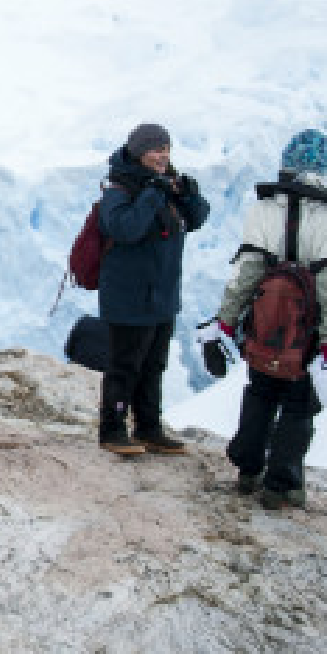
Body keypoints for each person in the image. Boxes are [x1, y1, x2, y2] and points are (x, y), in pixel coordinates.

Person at [198, 128, 327, 509]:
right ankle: (282, 485)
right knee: (299, 404)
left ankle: (248, 470)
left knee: (261, 392)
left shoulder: (264, 208)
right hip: (307, 331)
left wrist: (226, 321)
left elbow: (246, 273)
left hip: (264, 326)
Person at [95, 123, 210, 456]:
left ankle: (149, 428)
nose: (163, 156)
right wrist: (152, 193)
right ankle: (112, 430)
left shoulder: (166, 185)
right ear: (138, 152)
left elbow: (198, 218)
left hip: (161, 295)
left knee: (154, 366)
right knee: (125, 366)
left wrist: (188, 192)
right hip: (129, 297)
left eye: (167, 149)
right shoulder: (120, 188)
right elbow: (125, 228)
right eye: (156, 149)